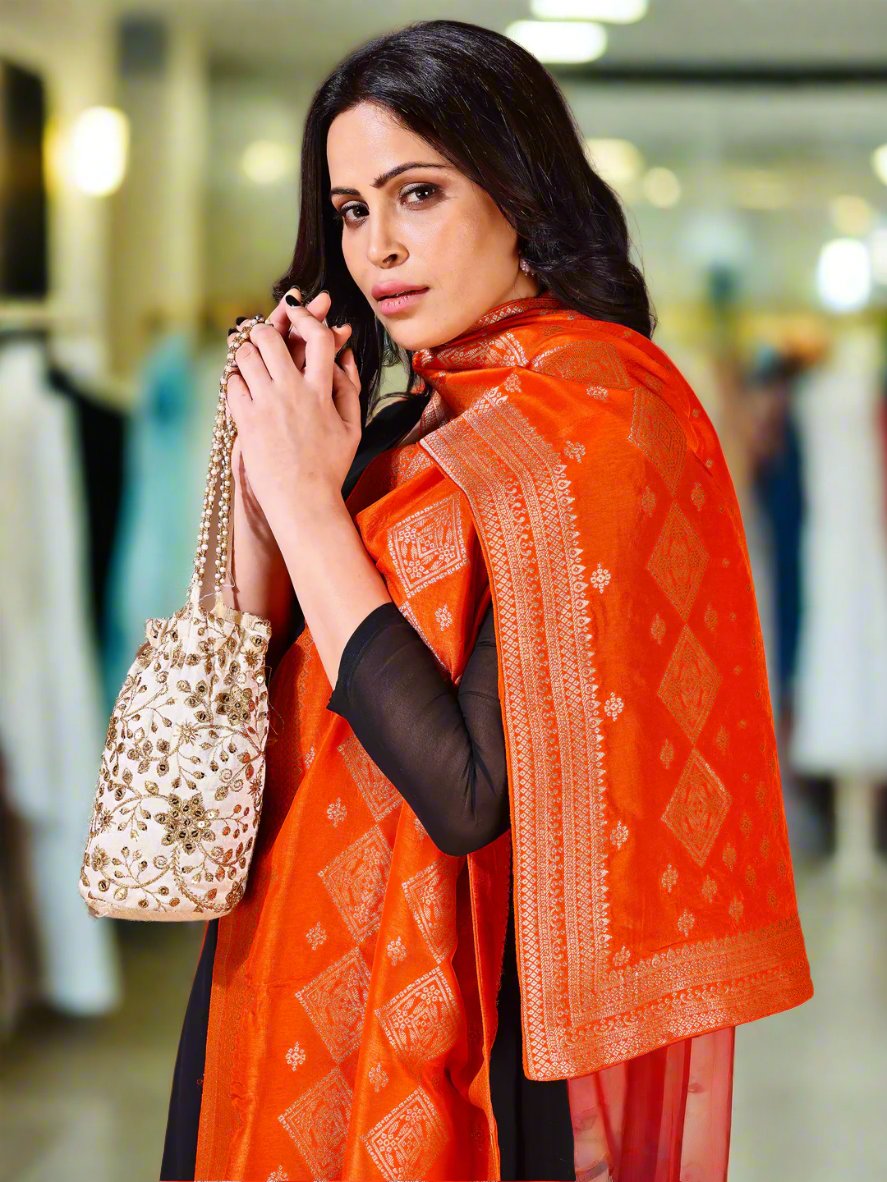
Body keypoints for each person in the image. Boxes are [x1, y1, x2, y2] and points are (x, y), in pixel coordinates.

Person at [161, 19, 814, 1182]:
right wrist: (275, 485)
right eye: (352, 208)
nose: (377, 249)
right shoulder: (424, 417)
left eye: (417, 193)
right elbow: (283, 677)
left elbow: (468, 795)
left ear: (518, 189)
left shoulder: (594, 422)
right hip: (293, 958)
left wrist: (316, 509)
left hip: (462, 1013)